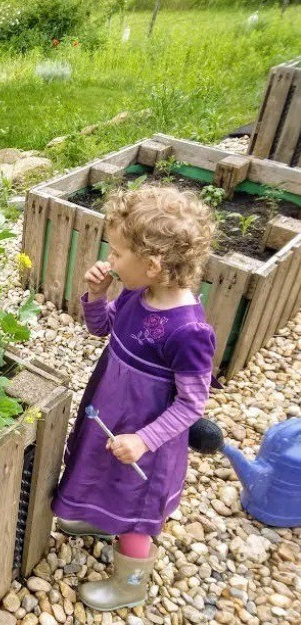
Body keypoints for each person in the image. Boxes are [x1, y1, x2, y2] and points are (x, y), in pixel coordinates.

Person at [50, 185, 217, 611]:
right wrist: (97, 297)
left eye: (118, 252)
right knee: (104, 471)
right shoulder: (135, 292)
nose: (110, 259)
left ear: (153, 265)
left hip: (145, 438)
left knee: (137, 508)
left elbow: (191, 404)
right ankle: (97, 515)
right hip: (111, 411)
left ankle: (131, 584)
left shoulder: (189, 332)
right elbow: (102, 329)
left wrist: (144, 440)